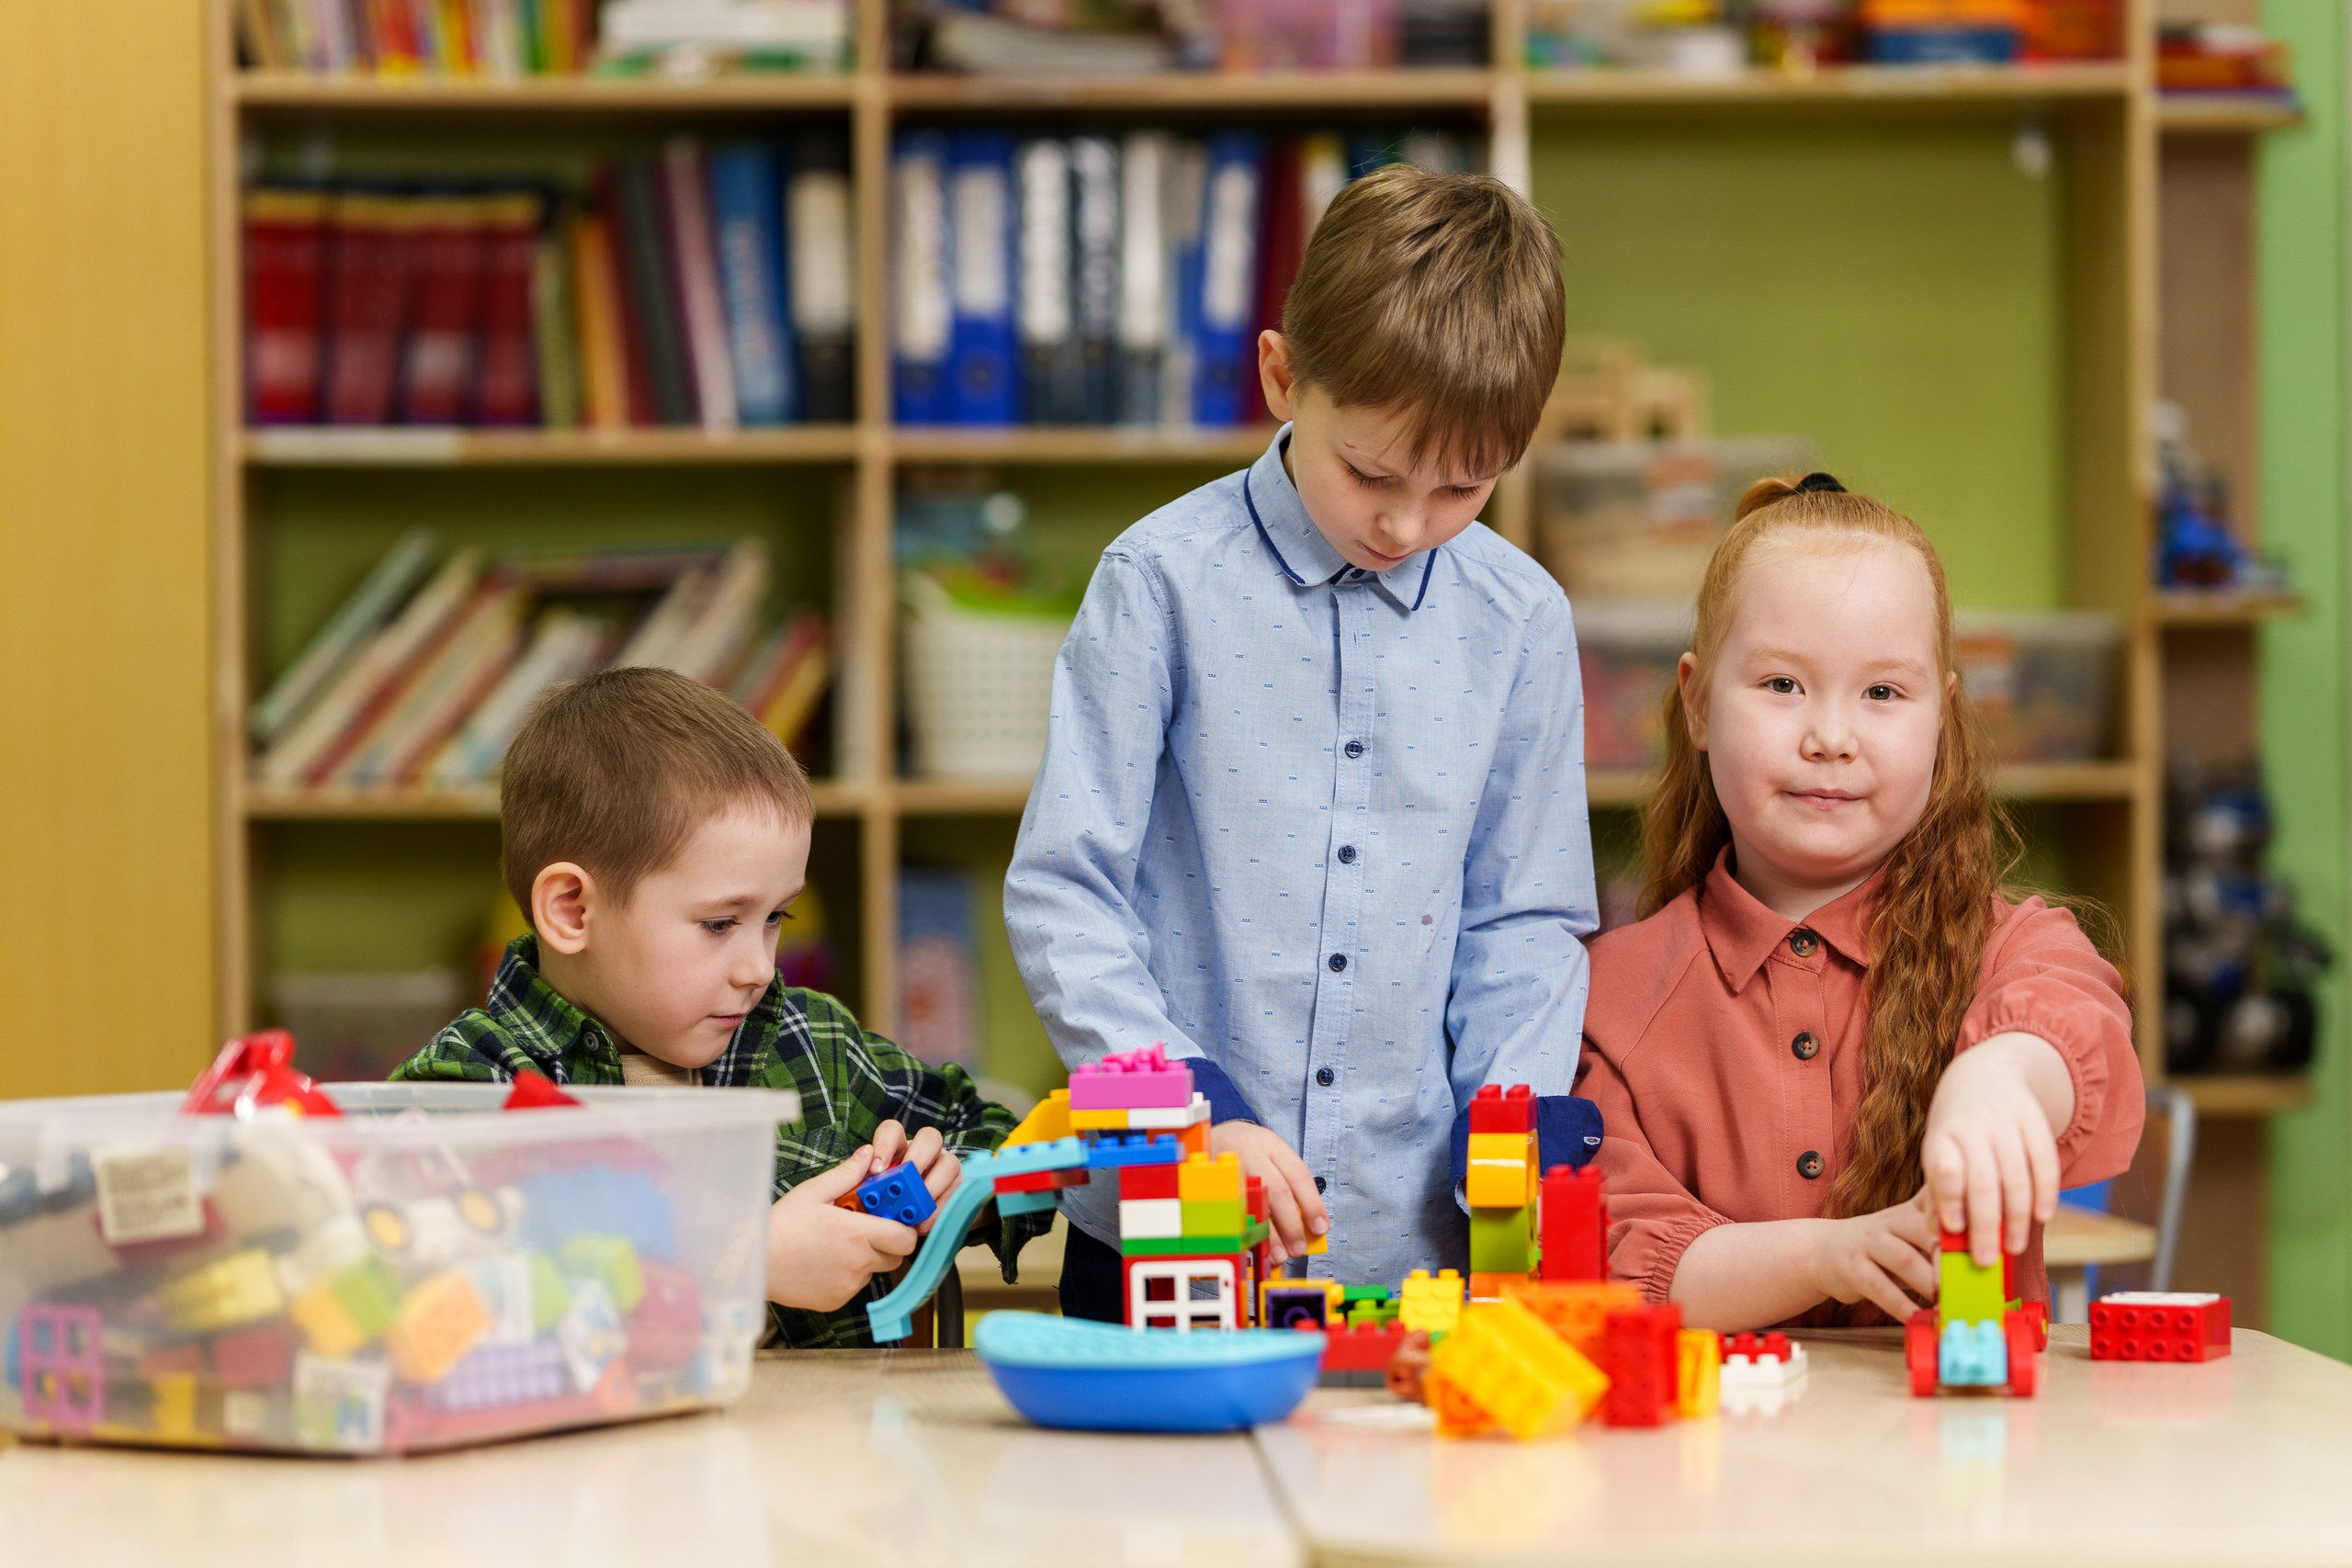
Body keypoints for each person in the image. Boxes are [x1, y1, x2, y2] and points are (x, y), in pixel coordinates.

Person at [1006, 164, 1604, 1316]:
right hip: (1163, 1213)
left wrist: (1514, 1132)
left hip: (1411, 1244)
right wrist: (1191, 1111)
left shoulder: (1522, 622)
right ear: (1283, 377)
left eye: (1461, 489)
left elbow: (1523, 920)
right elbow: (1066, 892)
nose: (1404, 522)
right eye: (1371, 472)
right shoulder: (1159, 581)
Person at [1577, 473, 2144, 1329]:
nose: (1831, 738)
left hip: (1963, 1455)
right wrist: (1828, 1254)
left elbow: (2069, 1019)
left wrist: (2001, 1077)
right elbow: (1632, 1261)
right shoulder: (1610, 996)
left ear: (1942, 718)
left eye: (1883, 693)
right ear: (1695, 701)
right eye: (1781, 685)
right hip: (1710, 1459)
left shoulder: (2012, 946)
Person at [390, 666, 1043, 1347]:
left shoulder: (812, 1041)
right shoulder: (471, 1088)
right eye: (719, 923)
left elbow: (1014, 1140)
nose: (760, 966)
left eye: (775, 916)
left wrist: (958, 1180)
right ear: (572, 909)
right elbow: (418, 1296)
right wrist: (746, 1260)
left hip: (831, 1449)